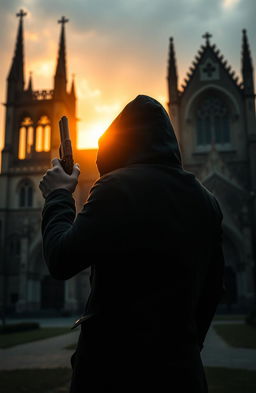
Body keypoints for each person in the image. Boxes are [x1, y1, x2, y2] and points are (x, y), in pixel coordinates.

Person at [39, 95, 225, 393]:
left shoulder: (115, 188)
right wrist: (186, 346)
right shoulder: (207, 201)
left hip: (113, 372)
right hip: (182, 374)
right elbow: (214, 289)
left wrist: (59, 195)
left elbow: (61, 259)